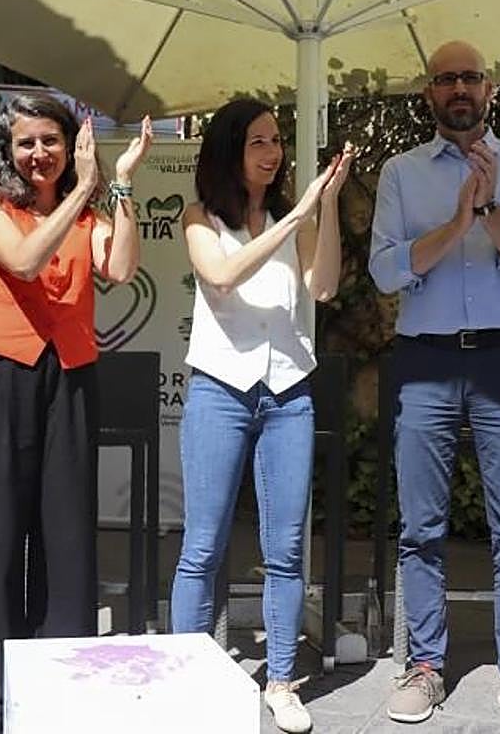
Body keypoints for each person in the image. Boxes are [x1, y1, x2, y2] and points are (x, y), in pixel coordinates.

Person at [370, 41, 500, 733]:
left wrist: (488, 208)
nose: (459, 89)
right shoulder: (400, 172)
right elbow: (388, 271)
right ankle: (424, 665)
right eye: (446, 78)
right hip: (424, 361)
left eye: (470, 78)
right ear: (429, 94)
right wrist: (456, 218)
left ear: (489, 91)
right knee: (421, 526)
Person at [0, 92, 151, 734]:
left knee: (64, 537)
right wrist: (82, 193)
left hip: (69, 375)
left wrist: (117, 186)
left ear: (71, 148)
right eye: (26, 142)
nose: (38, 153)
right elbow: (26, 260)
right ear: (8, 150)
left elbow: (120, 268)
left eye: (50, 141)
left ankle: (59, 684)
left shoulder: (87, 213)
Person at [170, 97, 353, 734]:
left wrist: (323, 207)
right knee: (203, 546)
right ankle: (187, 677)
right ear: (230, 149)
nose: (273, 153)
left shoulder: (292, 217)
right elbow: (220, 276)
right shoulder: (199, 216)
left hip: (288, 396)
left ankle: (280, 680)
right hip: (221, 391)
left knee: (285, 549)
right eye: (258, 142)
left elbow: (323, 286)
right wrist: (294, 217)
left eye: (277, 141)